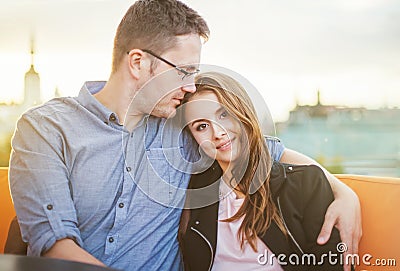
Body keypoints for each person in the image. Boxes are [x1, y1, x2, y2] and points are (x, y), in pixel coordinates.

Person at [9, 0, 360, 270]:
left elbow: (261, 149)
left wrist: (343, 192)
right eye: (184, 71)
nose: (191, 85)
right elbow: (54, 243)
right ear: (138, 62)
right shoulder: (45, 130)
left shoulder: (185, 128)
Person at [178, 71, 343, 271]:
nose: (218, 133)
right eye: (202, 126)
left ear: (243, 112)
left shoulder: (304, 185)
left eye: (224, 115)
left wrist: (346, 194)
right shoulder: (196, 195)